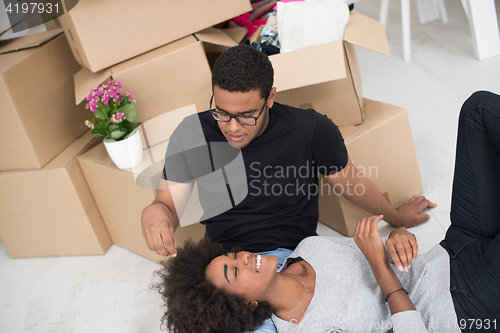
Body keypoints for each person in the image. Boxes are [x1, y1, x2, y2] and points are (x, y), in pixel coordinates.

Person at [143, 44, 435, 332]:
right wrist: (157, 210)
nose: (232, 127)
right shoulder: (192, 133)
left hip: (291, 260)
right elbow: (167, 202)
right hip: (227, 268)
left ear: (270, 97)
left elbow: (352, 183)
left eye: (246, 115)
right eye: (222, 113)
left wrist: (397, 219)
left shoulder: (309, 129)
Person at [154, 91, 500, 333]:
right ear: (246, 306)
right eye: (234, 271)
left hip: (449, 254)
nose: (245, 255)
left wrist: (397, 235)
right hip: (461, 308)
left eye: (232, 255)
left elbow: (386, 253)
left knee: (478, 110)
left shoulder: (309, 248)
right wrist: (380, 265)